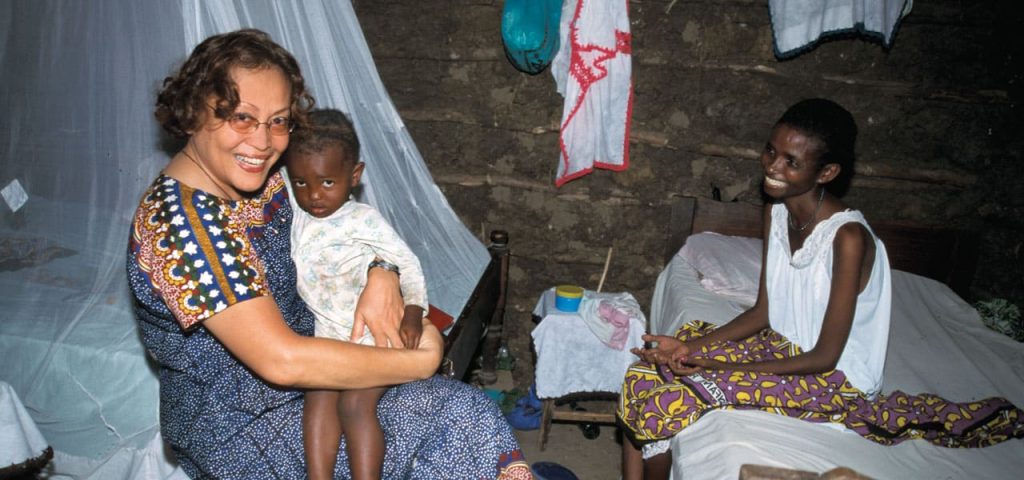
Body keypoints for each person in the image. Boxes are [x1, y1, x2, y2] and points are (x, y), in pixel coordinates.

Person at [127, 28, 531, 479]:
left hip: (316, 375)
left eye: (278, 121)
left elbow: (339, 228)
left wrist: (382, 269)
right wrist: (421, 361)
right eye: (242, 117)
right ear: (192, 111)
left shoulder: (264, 181)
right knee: (454, 417)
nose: (263, 143)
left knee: (462, 416)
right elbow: (282, 360)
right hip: (242, 425)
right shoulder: (180, 228)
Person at [617, 98, 1024, 480]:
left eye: (791, 161)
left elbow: (825, 355)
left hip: (835, 376)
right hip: (782, 346)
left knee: (668, 403)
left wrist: (719, 368)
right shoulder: (776, 212)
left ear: (826, 173)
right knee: (645, 372)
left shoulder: (848, 238)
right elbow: (764, 312)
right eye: (771, 150)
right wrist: (692, 348)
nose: (773, 166)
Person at [283, 108, 429, 480]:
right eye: (301, 183)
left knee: (354, 405)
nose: (314, 194)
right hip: (328, 339)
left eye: (327, 182)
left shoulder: (362, 219)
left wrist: (414, 311)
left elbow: (408, 263)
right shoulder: (298, 214)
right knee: (317, 398)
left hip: (371, 339)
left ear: (354, 176)